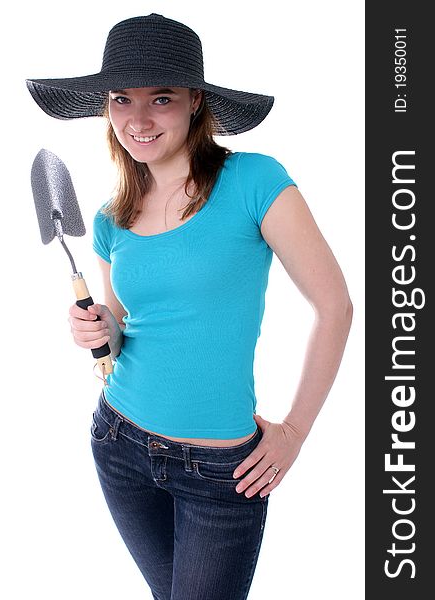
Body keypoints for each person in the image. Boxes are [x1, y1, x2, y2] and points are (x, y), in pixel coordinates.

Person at [26, 13, 353, 600]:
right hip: (120, 444)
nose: (139, 119)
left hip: (222, 473)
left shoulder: (255, 181)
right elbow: (123, 327)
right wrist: (96, 328)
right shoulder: (109, 217)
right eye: (122, 99)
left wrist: (294, 433)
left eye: (162, 98)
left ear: (195, 102)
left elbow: (336, 306)